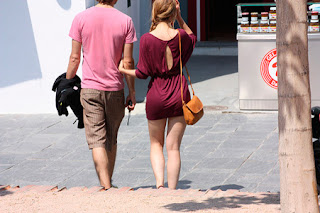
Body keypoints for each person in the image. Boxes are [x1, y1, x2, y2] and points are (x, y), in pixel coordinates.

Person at [118, 0, 196, 189]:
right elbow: (193, 37)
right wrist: (179, 17)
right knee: (174, 147)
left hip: (156, 96)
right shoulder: (181, 36)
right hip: (179, 94)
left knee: (156, 144)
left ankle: (160, 185)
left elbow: (142, 73)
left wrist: (122, 69)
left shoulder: (147, 39)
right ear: (172, 12)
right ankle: (172, 190)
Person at [66, 0, 137, 190]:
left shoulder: (80, 18)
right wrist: (132, 91)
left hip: (90, 89)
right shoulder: (126, 21)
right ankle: (108, 184)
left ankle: (106, 186)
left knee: (97, 139)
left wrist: (67, 80)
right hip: (115, 89)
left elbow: (74, 58)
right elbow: (128, 62)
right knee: (111, 138)